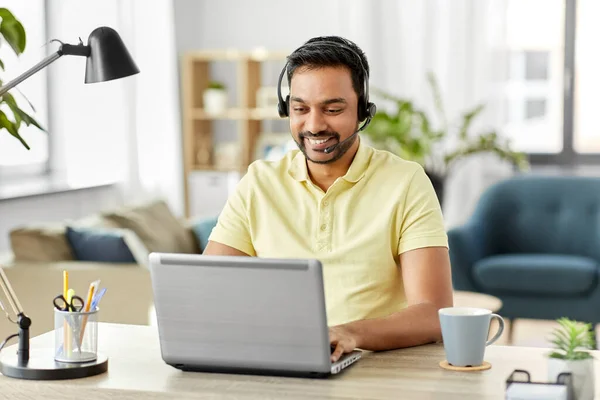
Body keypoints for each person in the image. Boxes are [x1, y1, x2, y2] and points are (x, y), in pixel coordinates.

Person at [203, 36, 453, 363]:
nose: (315, 125)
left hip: (375, 366)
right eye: (300, 109)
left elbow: (434, 313)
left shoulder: (406, 182)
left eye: (333, 109)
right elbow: (208, 289)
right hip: (281, 362)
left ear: (363, 110)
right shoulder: (259, 182)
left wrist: (349, 333)